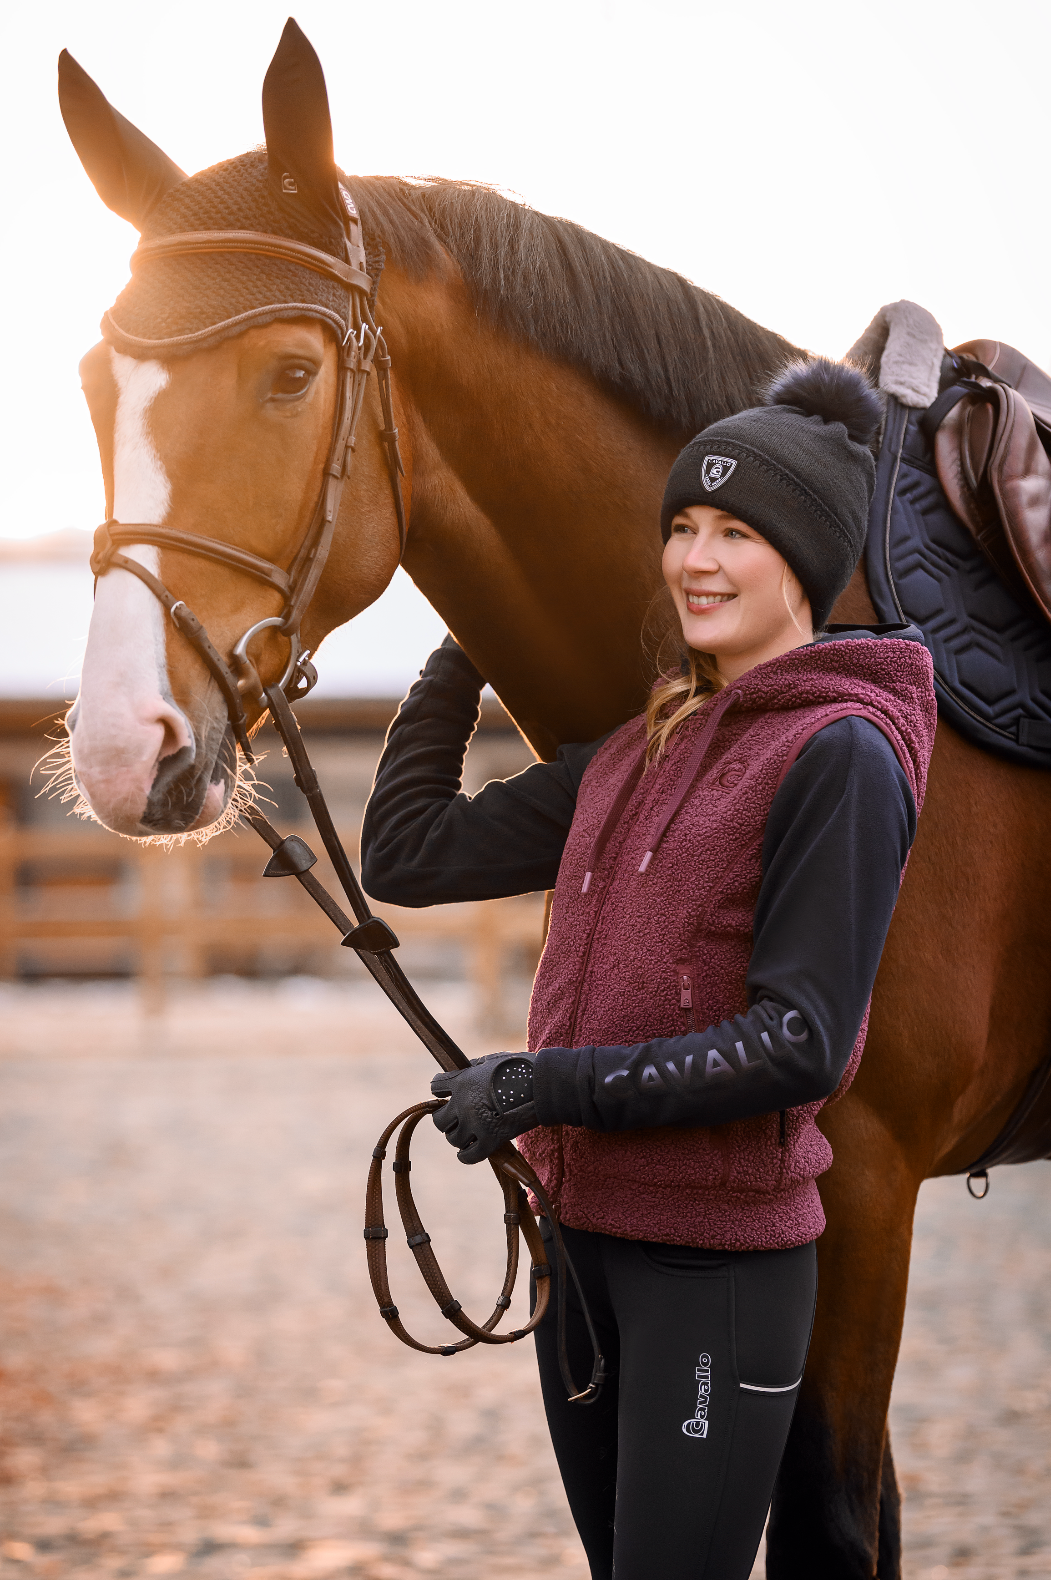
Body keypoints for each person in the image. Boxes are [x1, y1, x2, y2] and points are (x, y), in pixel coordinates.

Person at [359, 358, 937, 1580]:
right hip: (583, 1251)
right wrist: (462, 648)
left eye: (738, 530)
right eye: (680, 526)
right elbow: (405, 852)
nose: (696, 558)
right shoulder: (637, 748)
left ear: (807, 562)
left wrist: (542, 1087)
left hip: (711, 1269)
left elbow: (801, 1044)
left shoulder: (841, 753)